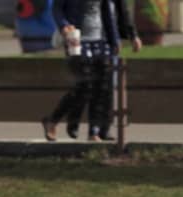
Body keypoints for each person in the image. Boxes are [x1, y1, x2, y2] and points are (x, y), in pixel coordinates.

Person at [41, 0, 139, 143]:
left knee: (102, 86)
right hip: (77, 39)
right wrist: (63, 26)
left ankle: (94, 132)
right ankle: (53, 120)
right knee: (86, 83)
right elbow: (57, 9)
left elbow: (107, 13)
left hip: (101, 39)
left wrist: (114, 39)